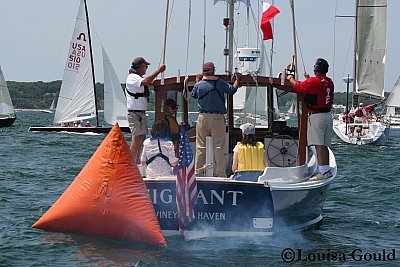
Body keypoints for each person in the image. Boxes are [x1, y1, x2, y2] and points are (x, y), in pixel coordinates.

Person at [286, 58, 334, 181]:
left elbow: (299, 87)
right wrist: (308, 79)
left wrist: (290, 78)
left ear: (316, 69)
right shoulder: (329, 82)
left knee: (318, 145)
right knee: (324, 145)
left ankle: (322, 172)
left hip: (317, 117)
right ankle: (326, 169)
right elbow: (317, 89)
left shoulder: (314, 81)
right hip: (328, 116)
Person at [191, 61, 242, 177]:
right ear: (213, 70)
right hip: (218, 119)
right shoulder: (220, 83)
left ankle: (198, 173)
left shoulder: (199, 85)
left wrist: (197, 82)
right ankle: (221, 174)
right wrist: (237, 80)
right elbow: (232, 90)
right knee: (219, 147)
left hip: (202, 118)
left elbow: (193, 95)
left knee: (200, 147)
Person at [126, 56, 166, 163]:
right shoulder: (132, 77)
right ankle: (131, 163)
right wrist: (159, 71)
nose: (146, 69)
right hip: (134, 113)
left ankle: (139, 161)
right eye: (146, 66)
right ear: (141, 66)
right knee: (136, 138)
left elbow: (149, 81)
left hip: (141, 113)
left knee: (142, 138)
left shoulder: (137, 77)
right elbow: (145, 82)